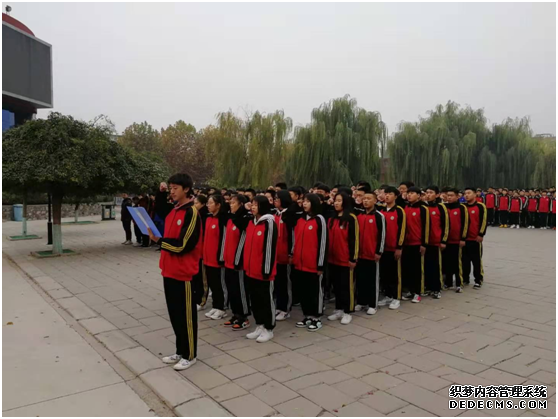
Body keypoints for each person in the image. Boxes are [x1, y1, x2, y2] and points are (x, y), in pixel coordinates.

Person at [147, 173, 203, 371]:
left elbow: (183, 245)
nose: (172, 192)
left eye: (175, 188)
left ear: (186, 189)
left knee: (186, 316)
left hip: (184, 273)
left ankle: (190, 355)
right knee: (175, 315)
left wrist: (159, 241)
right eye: (170, 188)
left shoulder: (191, 213)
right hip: (169, 271)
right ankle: (180, 350)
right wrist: (160, 192)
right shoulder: (175, 210)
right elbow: (160, 208)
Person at [244, 196, 278, 343]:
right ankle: (260, 325)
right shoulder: (252, 222)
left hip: (264, 271)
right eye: (252, 204)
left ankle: (269, 328)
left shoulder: (269, 223)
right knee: (255, 299)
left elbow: (269, 248)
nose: (253, 207)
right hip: (251, 270)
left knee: (266, 300)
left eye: (256, 205)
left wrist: (266, 269)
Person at [291, 193, 328, 331]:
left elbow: (323, 243)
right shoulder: (300, 220)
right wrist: (293, 255)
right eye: (303, 201)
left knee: (315, 291)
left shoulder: (319, 220)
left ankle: (316, 318)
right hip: (300, 263)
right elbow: (295, 239)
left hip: (313, 264)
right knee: (303, 291)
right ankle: (307, 315)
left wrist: (320, 264)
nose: (304, 204)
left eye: (307, 201)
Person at [327, 192, 359, 325]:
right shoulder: (332, 218)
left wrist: (353, 258)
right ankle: (338, 309)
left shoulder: (351, 218)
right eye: (335, 200)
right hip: (332, 259)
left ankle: (348, 311)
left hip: (345, 259)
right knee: (337, 286)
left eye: (339, 200)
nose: (336, 203)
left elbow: (354, 239)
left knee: (347, 286)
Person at [223, 194, 252, 330]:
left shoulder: (244, 220)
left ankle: (244, 317)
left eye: (234, 203)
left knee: (241, 290)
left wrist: (244, 210)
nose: (231, 205)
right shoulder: (230, 219)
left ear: (241, 204)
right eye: (230, 202)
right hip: (228, 261)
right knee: (232, 290)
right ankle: (235, 314)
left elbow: (243, 241)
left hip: (238, 262)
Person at [355, 191, 385, 314]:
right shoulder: (359, 215)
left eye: (369, 198)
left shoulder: (379, 216)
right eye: (364, 199)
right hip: (360, 253)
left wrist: (379, 251)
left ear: (375, 201)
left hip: (372, 253)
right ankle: (361, 302)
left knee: (372, 280)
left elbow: (382, 235)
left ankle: (373, 304)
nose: (366, 201)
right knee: (361, 279)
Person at [379, 186, 406, 310]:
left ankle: (397, 297)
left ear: (396, 196)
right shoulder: (381, 210)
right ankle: (388, 295)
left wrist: (399, 247)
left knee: (395, 273)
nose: (387, 196)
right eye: (386, 193)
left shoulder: (399, 211)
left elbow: (402, 230)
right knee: (385, 273)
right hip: (382, 248)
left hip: (394, 247)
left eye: (390, 194)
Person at [203, 195, 229, 320]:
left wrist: (221, 257)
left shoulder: (223, 220)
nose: (208, 205)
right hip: (207, 258)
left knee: (220, 284)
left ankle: (222, 307)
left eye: (210, 203)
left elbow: (224, 239)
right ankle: (215, 305)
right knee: (212, 283)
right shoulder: (208, 218)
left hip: (218, 258)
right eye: (207, 203)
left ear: (218, 205)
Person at [273, 190, 298, 321]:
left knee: (286, 283)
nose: (275, 201)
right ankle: (279, 306)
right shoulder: (275, 214)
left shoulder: (290, 215)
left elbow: (293, 235)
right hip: (275, 255)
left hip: (286, 255)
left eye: (277, 198)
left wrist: (291, 253)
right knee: (277, 283)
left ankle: (286, 309)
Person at [402, 186, 429, 303]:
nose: (409, 195)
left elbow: (426, 227)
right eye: (408, 193)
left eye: (412, 193)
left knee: (417, 269)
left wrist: (424, 244)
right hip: (406, 243)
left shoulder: (423, 208)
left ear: (418, 195)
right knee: (408, 268)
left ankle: (418, 292)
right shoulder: (406, 207)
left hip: (418, 243)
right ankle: (411, 291)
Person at [424, 186, 449, 299]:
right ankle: (428, 286)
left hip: (436, 242)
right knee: (426, 265)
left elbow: (446, 225)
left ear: (437, 194)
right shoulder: (424, 207)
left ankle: (437, 288)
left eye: (431, 192)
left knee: (436, 266)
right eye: (427, 192)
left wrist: (443, 240)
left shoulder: (441, 207)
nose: (428, 195)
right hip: (425, 242)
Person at [443, 188, 468, 293]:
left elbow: (465, 224)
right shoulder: (444, 207)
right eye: (448, 195)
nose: (449, 197)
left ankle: (459, 283)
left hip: (457, 240)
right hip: (446, 240)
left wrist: (463, 238)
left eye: (451, 195)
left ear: (458, 196)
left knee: (458, 262)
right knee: (447, 262)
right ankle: (448, 283)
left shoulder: (462, 208)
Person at [462, 187, 487, 289]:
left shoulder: (480, 206)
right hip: (464, 239)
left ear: (475, 194)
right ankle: (465, 279)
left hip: (475, 238)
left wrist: (481, 234)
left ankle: (478, 279)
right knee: (465, 260)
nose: (466, 195)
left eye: (469, 193)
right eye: (465, 193)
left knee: (476, 260)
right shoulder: (463, 206)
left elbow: (484, 221)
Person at [192, 194, 209, 310]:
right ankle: (195, 298)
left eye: (196, 203)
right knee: (195, 277)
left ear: (203, 204)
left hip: (202, 251)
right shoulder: (194, 215)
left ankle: (201, 300)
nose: (194, 205)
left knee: (202, 278)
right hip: (195, 251)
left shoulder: (205, 217)